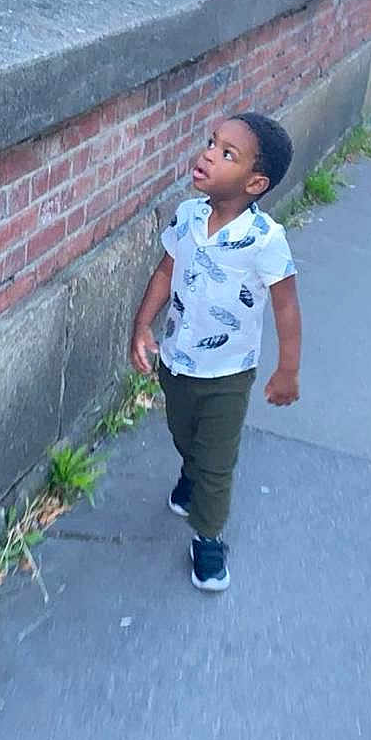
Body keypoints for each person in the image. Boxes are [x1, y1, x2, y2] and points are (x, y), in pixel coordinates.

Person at [130, 112, 302, 593]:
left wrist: (288, 368)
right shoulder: (187, 218)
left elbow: (286, 306)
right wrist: (142, 325)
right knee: (183, 433)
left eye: (227, 153)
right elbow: (166, 273)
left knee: (217, 461)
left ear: (255, 182)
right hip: (178, 360)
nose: (208, 154)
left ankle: (208, 537)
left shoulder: (265, 240)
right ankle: (191, 470)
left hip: (228, 374)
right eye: (211, 143)